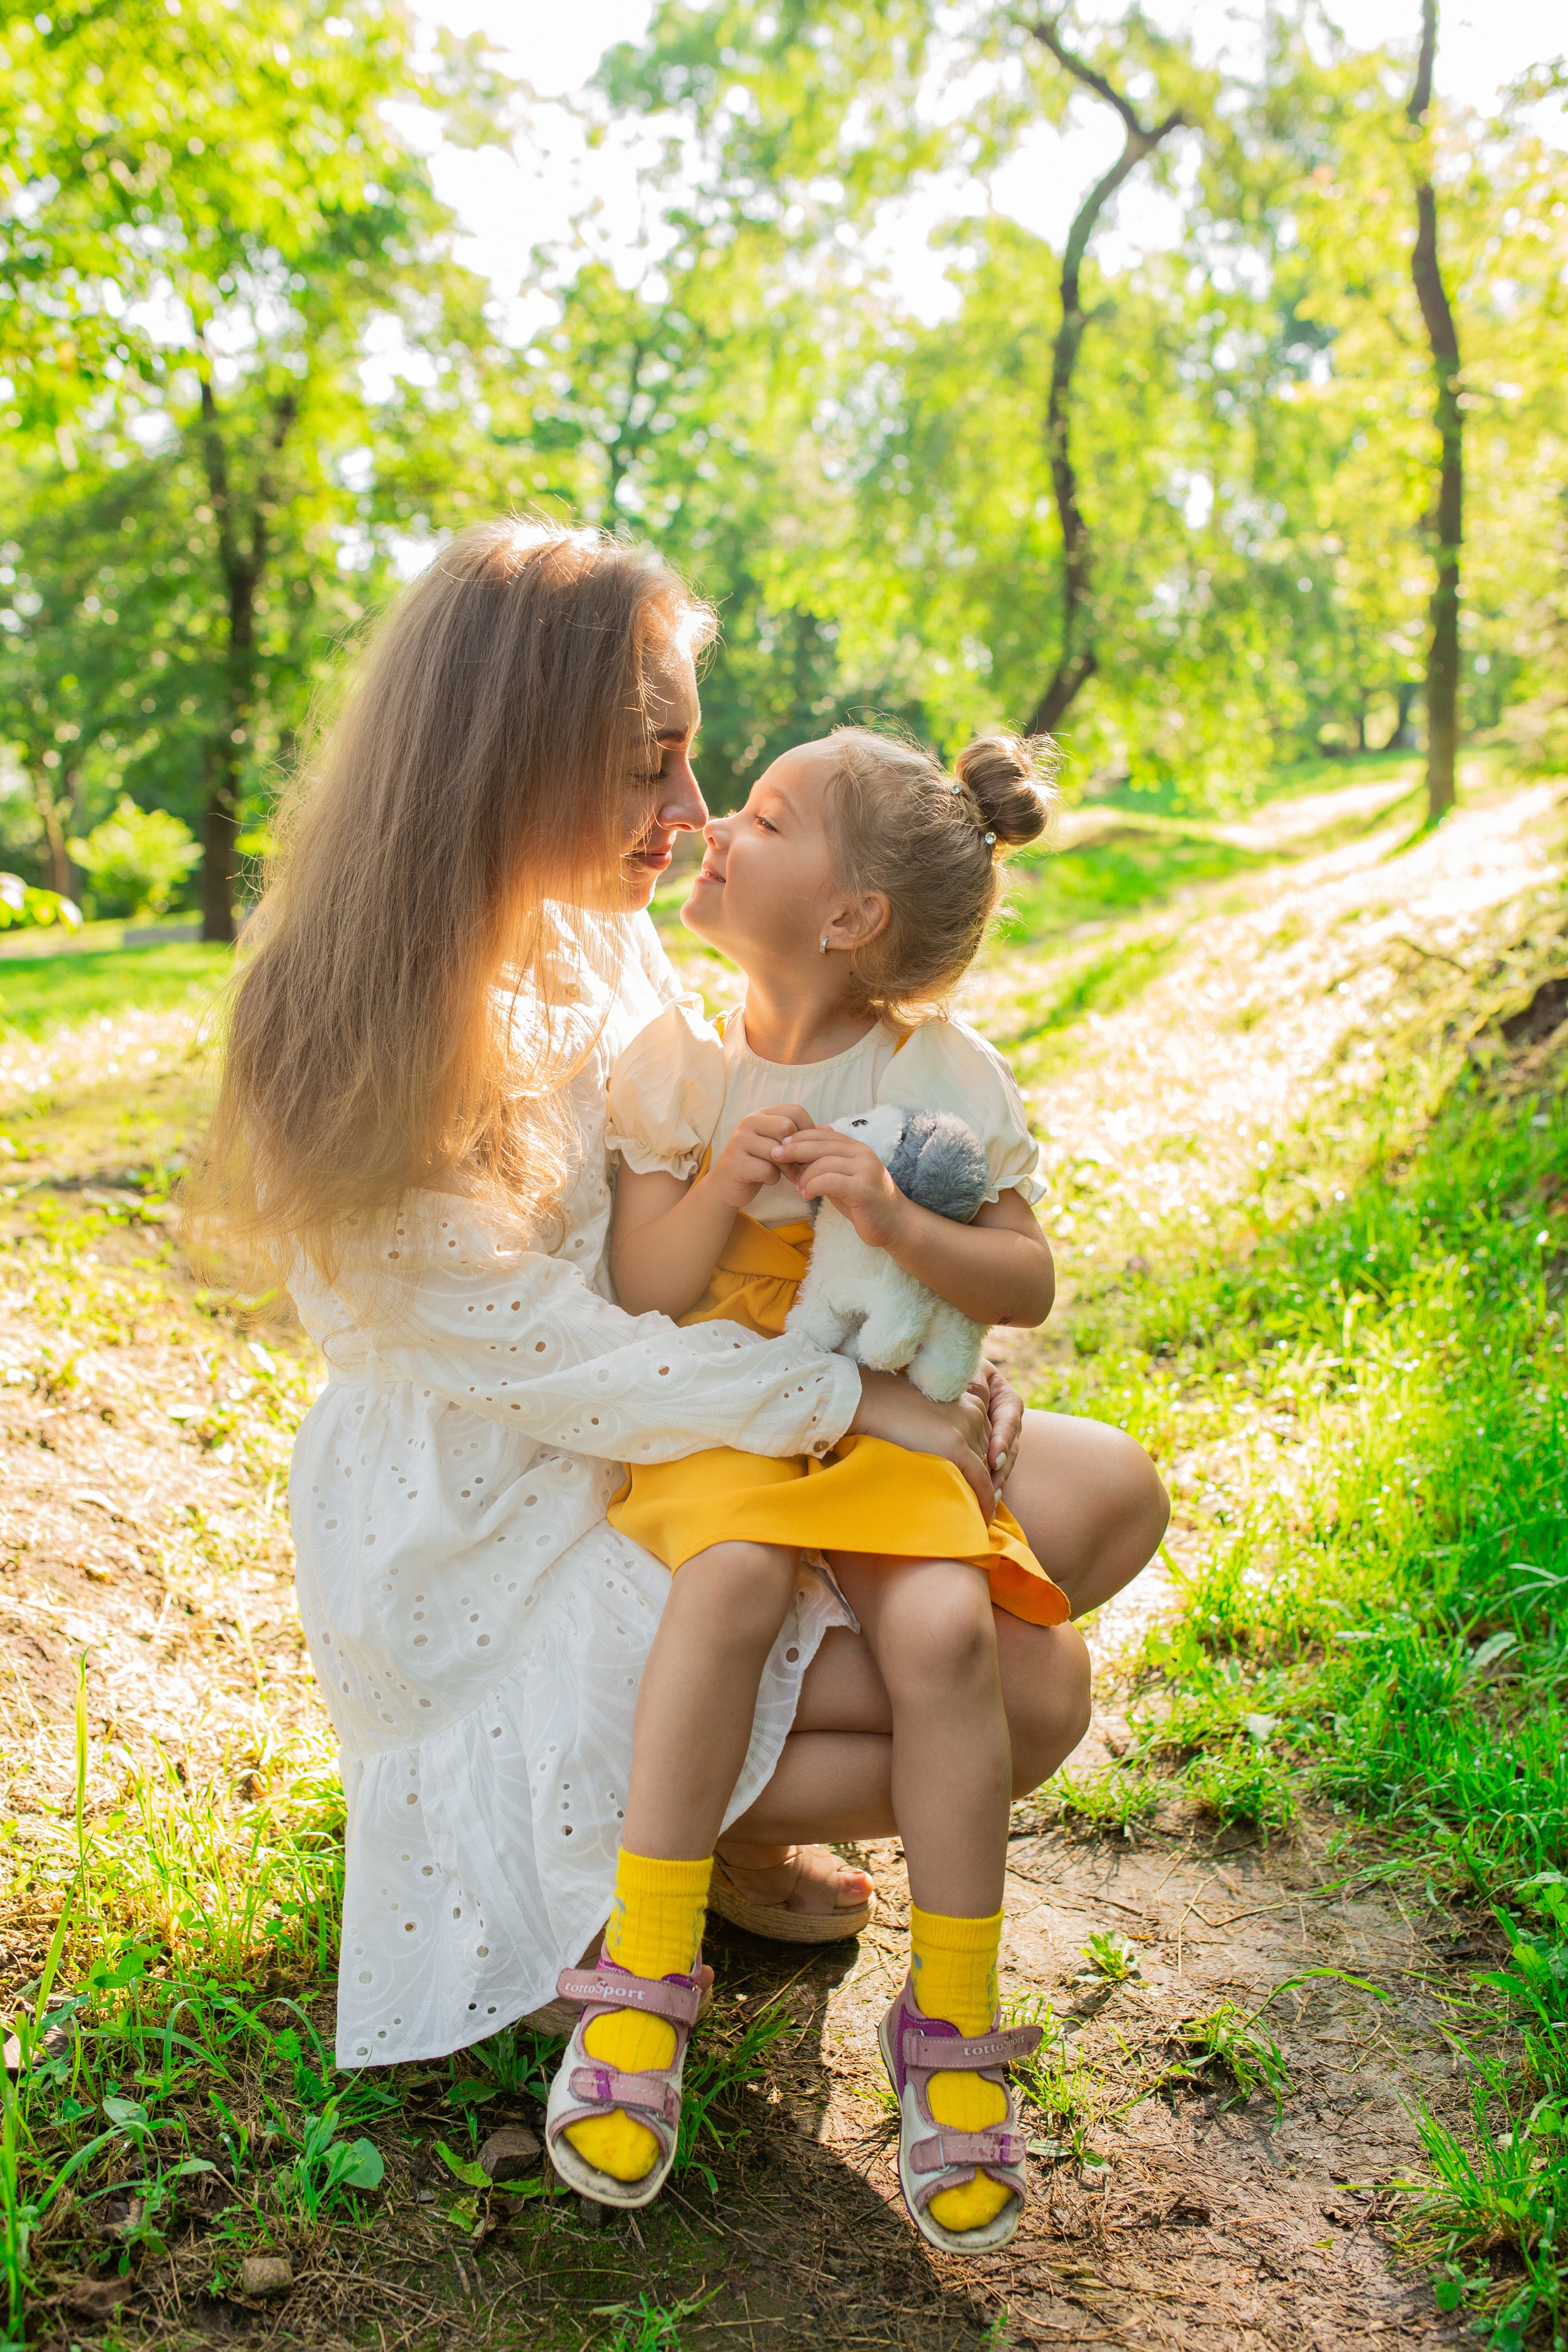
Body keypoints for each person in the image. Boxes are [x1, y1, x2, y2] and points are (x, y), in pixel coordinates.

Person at [186, 518, 1166, 2116]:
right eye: (655, 766)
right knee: (1030, 1691)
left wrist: (900, 1348)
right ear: (517, 750)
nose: (692, 817)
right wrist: (852, 1414)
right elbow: (553, 1361)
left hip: (686, 1414)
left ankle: (725, 1811)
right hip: (498, 1520)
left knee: (1107, 1494)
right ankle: (682, 1836)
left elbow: (717, 1203)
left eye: (693, 768)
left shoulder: (597, 920)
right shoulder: (335, 1009)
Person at [544, 728, 1072, 2252]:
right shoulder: (681, 1070)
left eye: (764, 818)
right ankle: (644, 1976)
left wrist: (894, 1215)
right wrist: (721, 1183)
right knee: (723, 1587)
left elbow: (1023, 1276)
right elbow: (647, 1289)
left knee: (947, 1641)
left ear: (847, 919)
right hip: (725, 1406)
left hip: (882, 1415)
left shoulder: (933, 1074)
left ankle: (954, 2019)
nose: (720, 827)